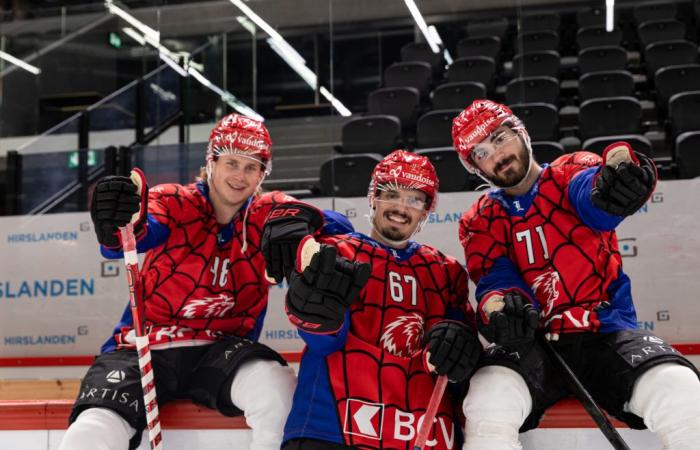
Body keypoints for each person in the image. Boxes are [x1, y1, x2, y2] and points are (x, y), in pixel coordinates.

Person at [59, 113, 326, 450]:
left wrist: (307, 222)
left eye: (251, 167)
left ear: (263, 173)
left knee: (277, 387)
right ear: (211, 161)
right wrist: (119, 219)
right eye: (232, 163)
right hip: (143, 346)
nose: (240, 176)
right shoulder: (177, 201)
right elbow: (134, 234)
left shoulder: (268, 215)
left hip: (220, 352)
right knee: (92, 429)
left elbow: (332, 228)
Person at [451, 99, 700, 450]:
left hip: (606, 334)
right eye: (480, 152)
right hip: (534, 346)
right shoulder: (480, 219)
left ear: (520, 133)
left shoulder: (571, 168)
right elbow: (496, 279)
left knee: (681, 390)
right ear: (474, 166)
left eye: (500, 137)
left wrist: (617, 184)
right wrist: (502, 310)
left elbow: (594, 199)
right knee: (488, 400)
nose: (497, 154)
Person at [281, 150, 482, 450]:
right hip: (332, 430)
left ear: (427, 210)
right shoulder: (336, 252)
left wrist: (461, 345)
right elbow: (324, 341)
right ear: (373, 197)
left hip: (424, 432)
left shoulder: (446, 271)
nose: (402, 207)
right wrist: (312, 311)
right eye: (392, 194)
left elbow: (456, 370)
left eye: (415, 199)